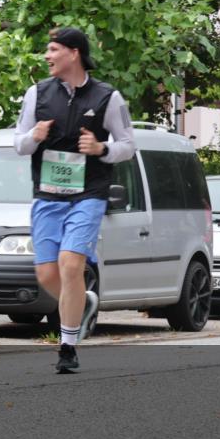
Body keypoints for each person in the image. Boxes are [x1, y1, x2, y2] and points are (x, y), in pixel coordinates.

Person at [13, 27, 136, 373]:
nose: (47, 57)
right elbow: (18, 144)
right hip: (47, 195)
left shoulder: (107, 97)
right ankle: (82, 302)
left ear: (74, 53)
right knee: (46, 273)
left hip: (89, 194)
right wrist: (34, 137)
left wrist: (102, 148)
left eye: (53, 50)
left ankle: (67, 347)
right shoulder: (37, 93)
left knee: (70, 265)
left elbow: (128, 145)